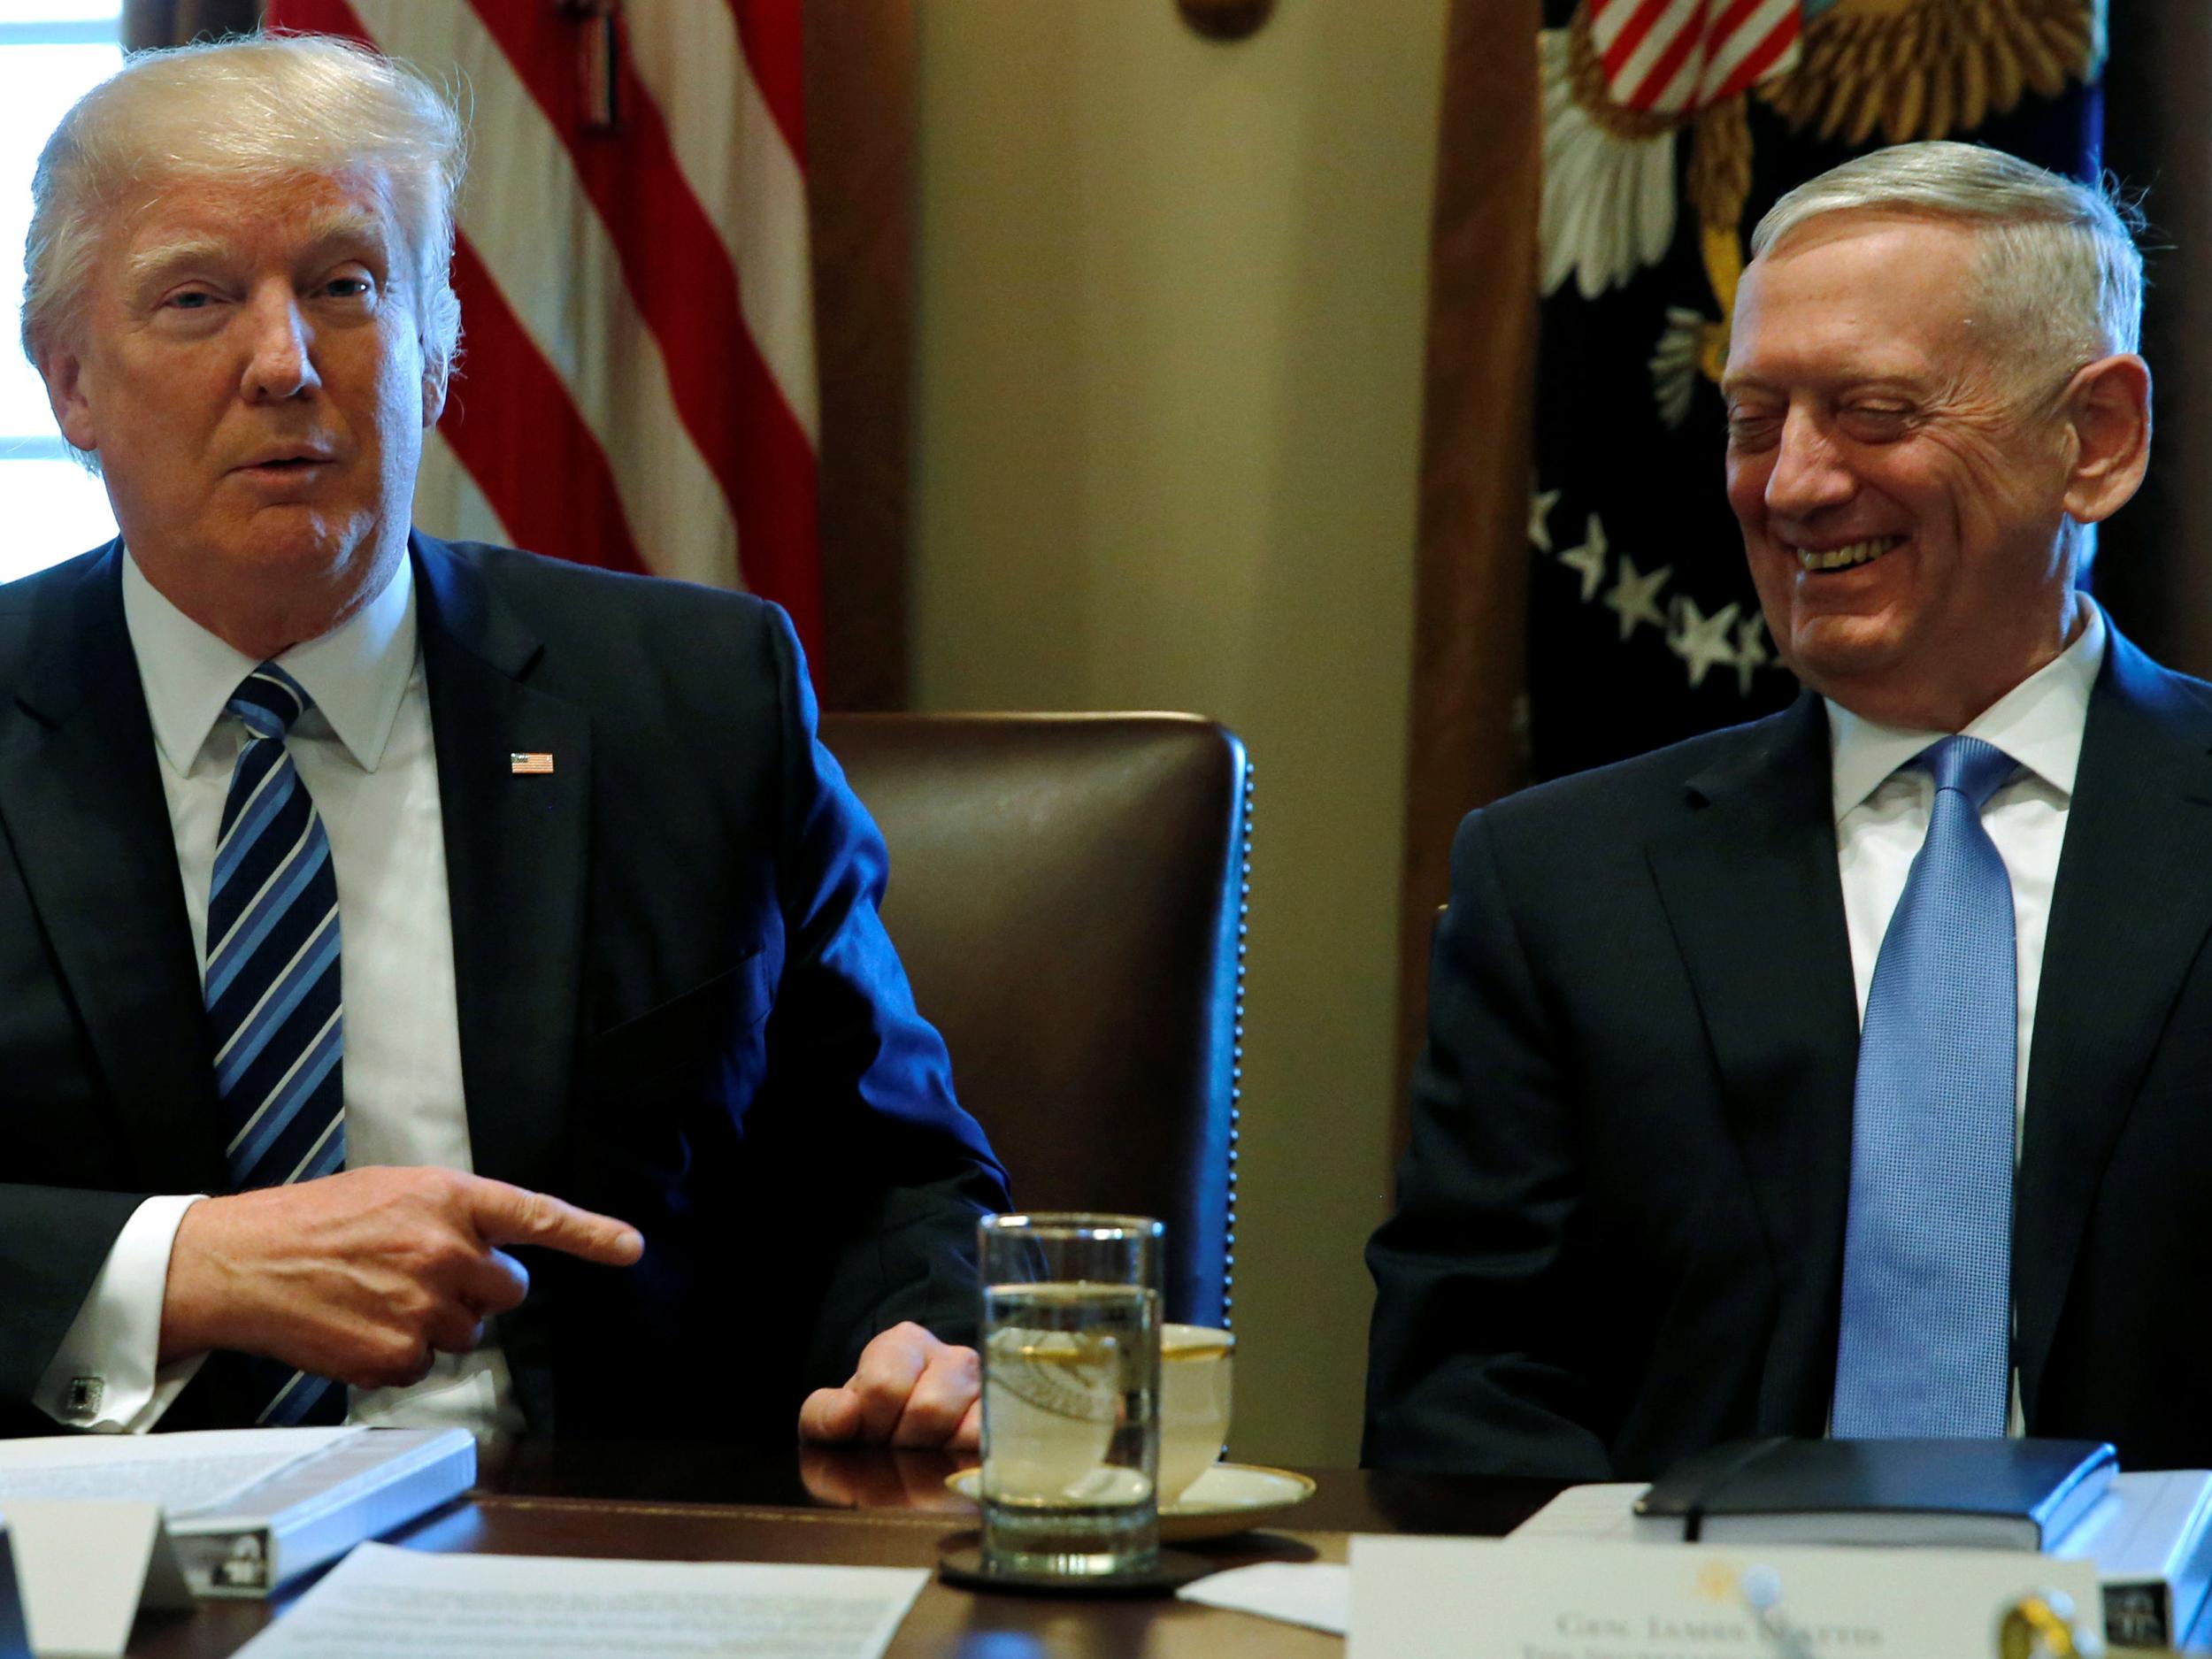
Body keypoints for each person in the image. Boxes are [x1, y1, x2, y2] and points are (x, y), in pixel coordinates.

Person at [1, 33, 1005, 1448]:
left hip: (596, 1558)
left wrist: (925, 1336)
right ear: (72, 386)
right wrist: (176, 1270)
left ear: (435, 346)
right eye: (196, 298)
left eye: (347, 287)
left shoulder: (694, 700)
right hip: (93, 1589)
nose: (284, 362)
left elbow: (886, 1170)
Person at [1363, 140, 2212, 1479]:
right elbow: (1464, 1391)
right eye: (1754, 422)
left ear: (2094, 441)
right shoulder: (1566, 881)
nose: (1794, 485)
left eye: (1873, 411)